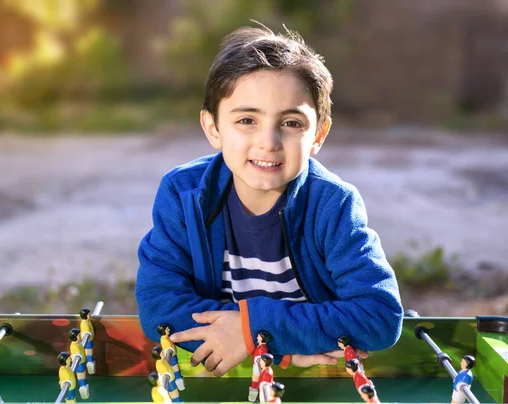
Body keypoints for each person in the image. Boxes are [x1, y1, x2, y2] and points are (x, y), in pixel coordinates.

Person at [135, 22, 403, 377]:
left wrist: (250, 332)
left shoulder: (334, 205)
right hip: (246, 372)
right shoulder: (183, 194)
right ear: (213, 128)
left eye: (291, 123)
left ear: (319, 134)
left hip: (318, 381)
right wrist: (276, 349)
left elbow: (379, 315)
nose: (269, 142)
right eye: (247, 119)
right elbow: (159, 306)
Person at [157, 324, 185, 390]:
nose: (168, 330)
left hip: (173, 357)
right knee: (176, 370)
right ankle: (179, 383)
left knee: (176, 371)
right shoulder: (165, 340)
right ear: (163, 331)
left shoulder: (165, 338)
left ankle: (179, 381)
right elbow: (168, 351)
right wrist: (168, 362)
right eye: (167, 329)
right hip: (172, 358)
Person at [249, 331, 271, 401]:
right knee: (255, 383)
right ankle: (253, 398)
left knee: (255, 383)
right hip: (258, 367)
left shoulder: (262, 349)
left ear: (262, 338)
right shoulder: (262, 347)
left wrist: (259, 371)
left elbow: (260, 360)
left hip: (258, 368)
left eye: (259, 336)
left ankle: (253, 398)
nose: (257, 337)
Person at [68, 328, 90, 399]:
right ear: (75, 337)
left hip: (82, 362)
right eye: (79, 335)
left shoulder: (78, 343)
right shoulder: (74, 345)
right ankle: (83, 389)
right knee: (81, 376)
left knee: (83, 375)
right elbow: (76, 354)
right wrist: (77, 356)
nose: (81, 336)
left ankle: (84, 387)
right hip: (79, 365)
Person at [79, 308, 96, 374]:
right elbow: (86, 333)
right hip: (88, 341)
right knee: (89, 353)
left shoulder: (87, 322)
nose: (90, 315)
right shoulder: (84, 324)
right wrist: (87, 335)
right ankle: (90, 366)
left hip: (90, 340)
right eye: (89, 314)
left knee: (90, 353)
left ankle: (91, 363)